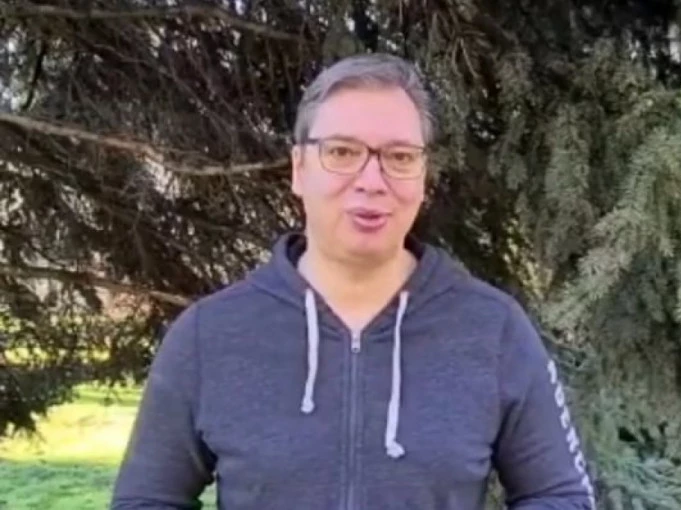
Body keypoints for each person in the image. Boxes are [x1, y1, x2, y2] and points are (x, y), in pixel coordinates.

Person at [110, 52, 596, 510]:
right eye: (342, 152)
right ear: (299, 169)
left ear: (422, 176)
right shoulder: (209, 335)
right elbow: (146, 501)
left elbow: (560, 496)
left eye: (399, 157)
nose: (371, 180)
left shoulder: (492, 329)